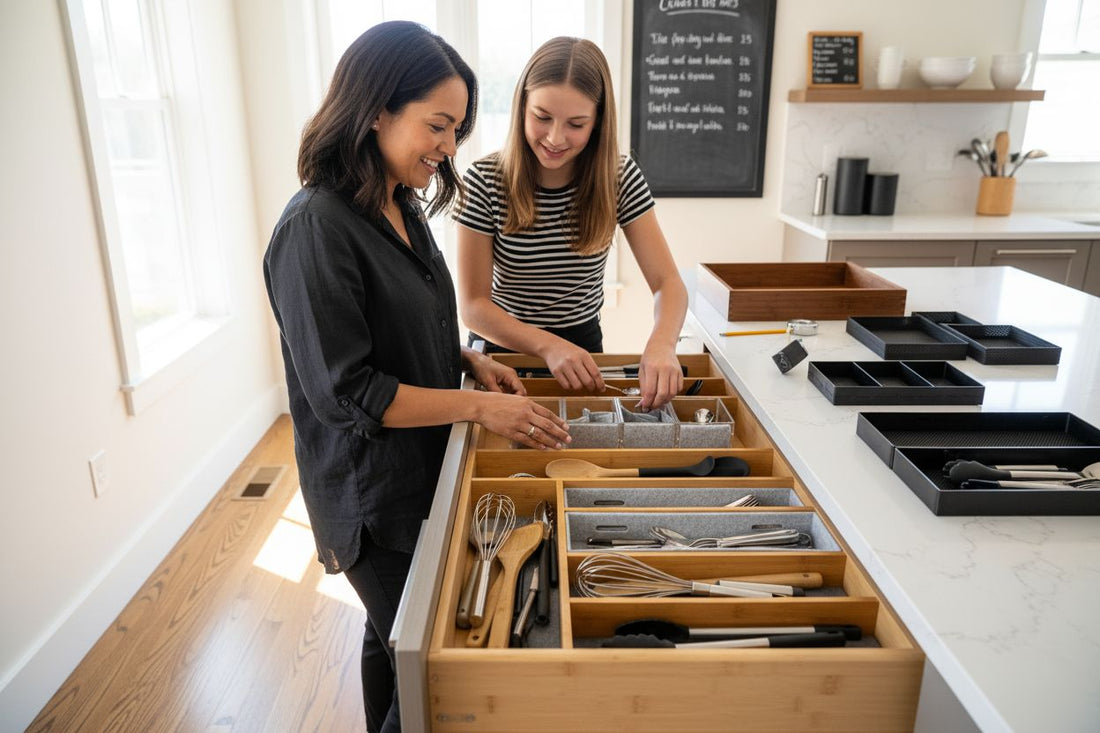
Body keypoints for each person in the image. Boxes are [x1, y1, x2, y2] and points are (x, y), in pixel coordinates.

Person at [263, 21, 569, 733]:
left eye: (457, 129)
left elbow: (419, 317)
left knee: (389, 636)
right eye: (438, 125)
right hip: (374, 492)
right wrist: (479, 409)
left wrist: (468, 358)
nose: (449, 147)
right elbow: (348, 392)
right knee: (430, 671)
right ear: (374, 109)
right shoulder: (315, 227)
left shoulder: (398, 200)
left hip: (426, 464)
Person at [455, 36, 688, 411]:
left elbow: (668, 283)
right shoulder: (484, 179)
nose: (555, 137)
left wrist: (662, 343)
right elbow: (473, 306)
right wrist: (548, 345)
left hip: (582, 348)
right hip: (499, 355)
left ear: (597, 123)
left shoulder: (619, 177)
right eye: (542, 117)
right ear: (521, 108)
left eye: (576, 124)